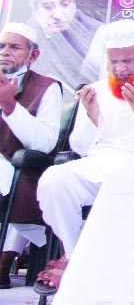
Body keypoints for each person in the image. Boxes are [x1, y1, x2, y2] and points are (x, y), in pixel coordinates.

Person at [33, 19, 134, 293]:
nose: (120, 68)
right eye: (113, 61)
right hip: (99, 162)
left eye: (127, 60)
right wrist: (92, 118)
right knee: (54, 180)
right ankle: (76, 253)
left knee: (126, 178)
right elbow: (79, 147)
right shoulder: (96, 90)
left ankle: (114, 264)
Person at [0, 23, 62, 289]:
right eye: (1, 46)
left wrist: (10, 105)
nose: (5, 52)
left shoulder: (47, 87)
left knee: (15, 174)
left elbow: (44, 143)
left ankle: (4, 261)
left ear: (32, 56)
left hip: (19, 164)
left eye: (14, 47)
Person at [24, 0, 105, 94]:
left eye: (65, 4)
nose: (58, 14)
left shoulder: (98, 33)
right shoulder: (23, 35)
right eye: (48, 7)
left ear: (74, 4)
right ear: (34, 10)